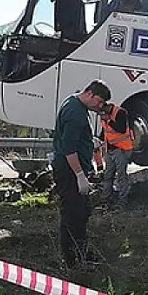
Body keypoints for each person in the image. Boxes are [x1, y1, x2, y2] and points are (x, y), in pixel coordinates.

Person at [51, 80, 109, 267]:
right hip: (69, 170)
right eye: (99, 102)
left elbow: (74, 136)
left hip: (71, 167)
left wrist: (89, 141)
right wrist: (79, 175)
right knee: (72, 213)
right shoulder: (76, 113)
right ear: (90, 94)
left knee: (82, 212)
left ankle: (82, 250)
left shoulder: (74, 102)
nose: (100, 107)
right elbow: (69, 149)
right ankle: (71, 259)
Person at [97, 97, 135, 210]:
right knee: (108, 175)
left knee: (121, 176)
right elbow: (105, 130)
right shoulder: (104, 115)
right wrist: (99, 140)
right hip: (109, 149)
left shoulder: (120, 113)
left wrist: (108, 120)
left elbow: (121, 129)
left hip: (121, 149)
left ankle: (122, 201)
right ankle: (105, 199)